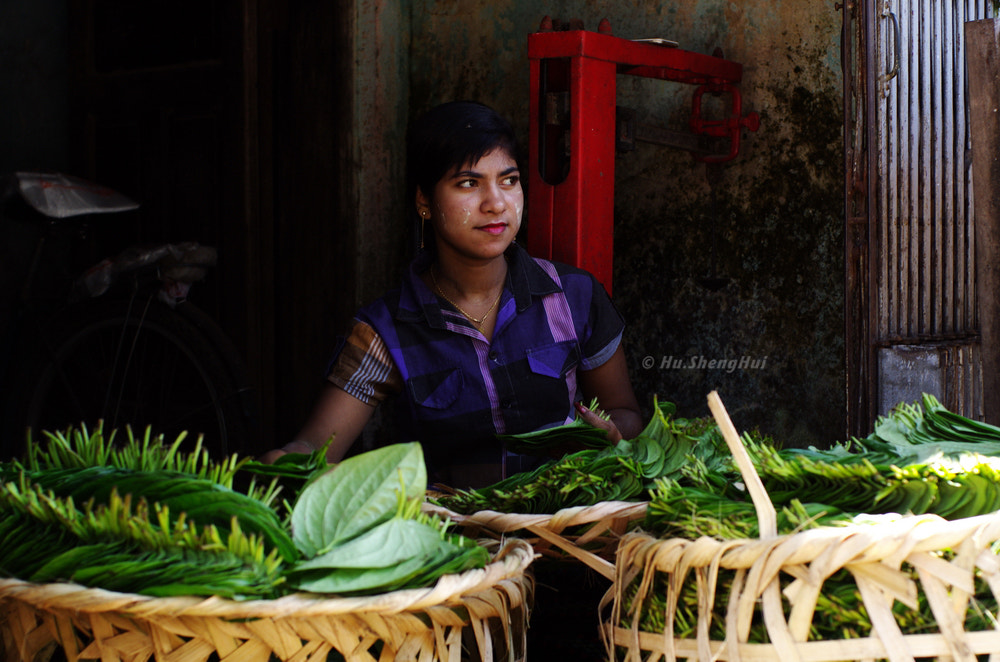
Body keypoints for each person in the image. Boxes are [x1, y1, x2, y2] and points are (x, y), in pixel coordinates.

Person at [260, 101, 643, 488]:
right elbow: (314, 448)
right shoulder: (386, 331)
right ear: (424, 201)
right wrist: (285, 463)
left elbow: (626, 414)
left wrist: (609, 435)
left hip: (566, 526)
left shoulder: (573, 296)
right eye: (468, 183)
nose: (496, 203)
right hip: (452, 536)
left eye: (508, 180)